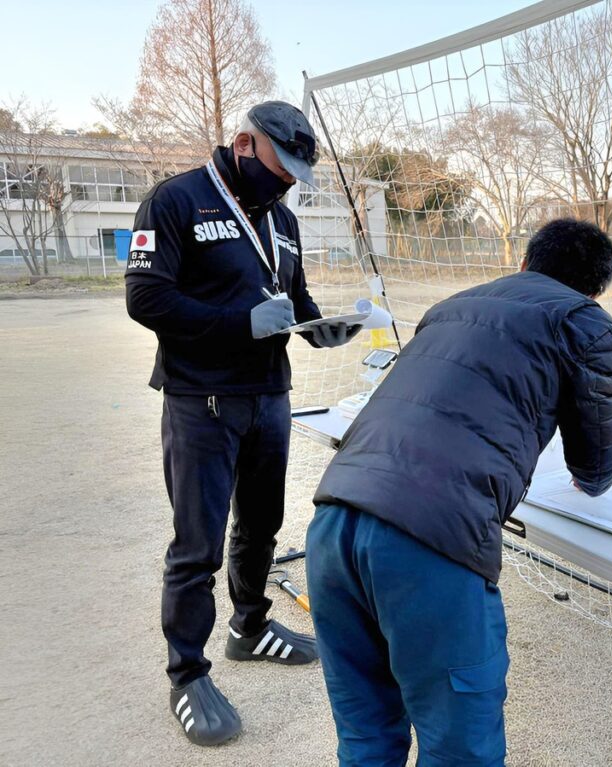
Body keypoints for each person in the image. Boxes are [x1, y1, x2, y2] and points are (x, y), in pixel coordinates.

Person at [306, 217, 612, 766]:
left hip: (334, 521)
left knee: (366, 736)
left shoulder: (452, 305)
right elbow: (596, 462)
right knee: (461, 749)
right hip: (428, 542)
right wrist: (589, 476)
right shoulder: (582, 319)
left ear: (524, 263)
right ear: (595, 290)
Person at [125, 101, 359, 746]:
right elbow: (145, 298)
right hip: (200, 399)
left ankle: (249, 627)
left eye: (294, 175)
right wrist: (235, 324)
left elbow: (296, 296)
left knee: (261, 526)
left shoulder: (282, 220)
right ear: (243, 145)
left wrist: (321, 328)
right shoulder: (175, 200)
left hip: (268, 395)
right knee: (195, 545)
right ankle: (187, 674)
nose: (285, 182)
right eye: (279, 167)